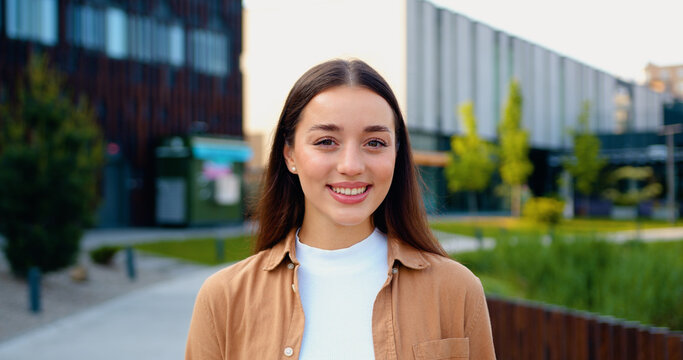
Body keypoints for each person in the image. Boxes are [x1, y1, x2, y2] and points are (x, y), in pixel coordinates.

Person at [185, 59, 496, 360]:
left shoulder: (456, 290)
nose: (351, 166)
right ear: (290, 155)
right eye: (325, 141)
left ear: (397, 155)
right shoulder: (224, 298)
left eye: (374, 142)